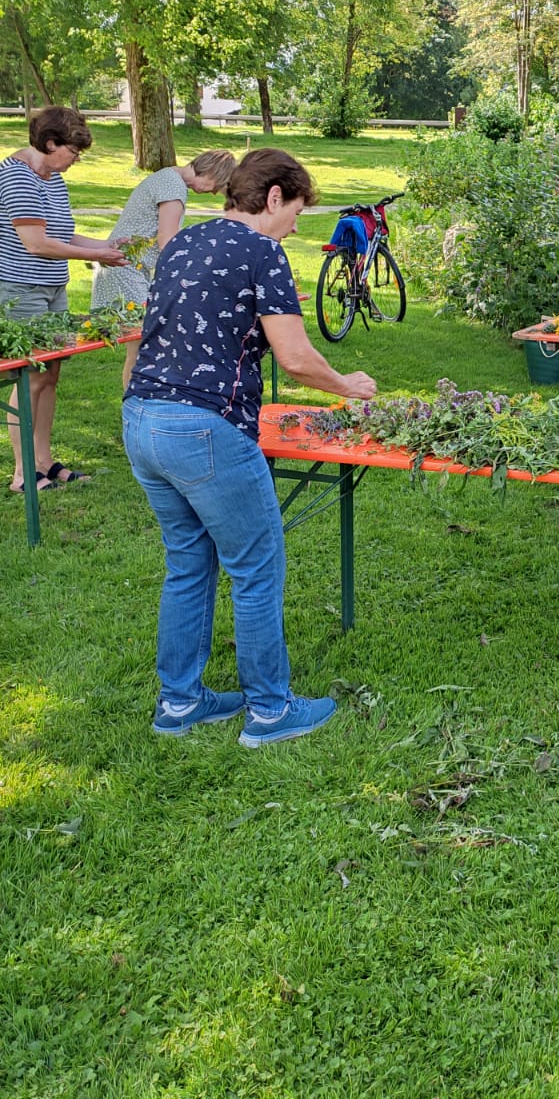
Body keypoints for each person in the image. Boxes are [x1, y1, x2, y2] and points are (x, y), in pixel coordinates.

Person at [122, 148, 377, 747]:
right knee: (257, 569)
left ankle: (179, 703)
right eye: (296, 211)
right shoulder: (263, 250)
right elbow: (292, 356)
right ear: (272, 198)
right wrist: (346, 386)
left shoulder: (182, 241)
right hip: (203, 428)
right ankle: (269, 710)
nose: (295, 224)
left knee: (187, 565)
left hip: (141, 420)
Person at [0, 106, 128, 493]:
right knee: (30, 378)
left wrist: (107, 245)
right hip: (21, 289)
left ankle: (44, 461)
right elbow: (36, 243)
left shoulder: (52, 177)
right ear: (50, 142)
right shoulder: (17, 177)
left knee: (50, 375)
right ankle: (22, 474)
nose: (75, 160)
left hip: (53, 287)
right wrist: (97, 257)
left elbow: (62, 234)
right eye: (72, 151)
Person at [92, 149, 237, 388]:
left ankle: (140, 402)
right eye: (216, 185)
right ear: (209, 170)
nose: (213, 192)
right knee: (143, 346)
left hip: (128, 267)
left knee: (143, 344)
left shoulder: (169, 178)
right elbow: (168, 241)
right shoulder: (173, 185)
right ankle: (137, 402)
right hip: (125, 269)